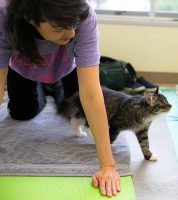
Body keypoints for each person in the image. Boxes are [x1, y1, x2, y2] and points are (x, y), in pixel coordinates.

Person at [0, 0, 120, 196]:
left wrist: (108, 165)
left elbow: (90, 93)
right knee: (22, 112)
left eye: (73, 26)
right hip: (23, 70)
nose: (71, 33)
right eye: (60, 28)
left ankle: (54, 85)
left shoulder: (84, 14)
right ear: (30, 18)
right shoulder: (3, 15)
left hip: (67, 67)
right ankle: (45, 87)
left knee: (73, 111)